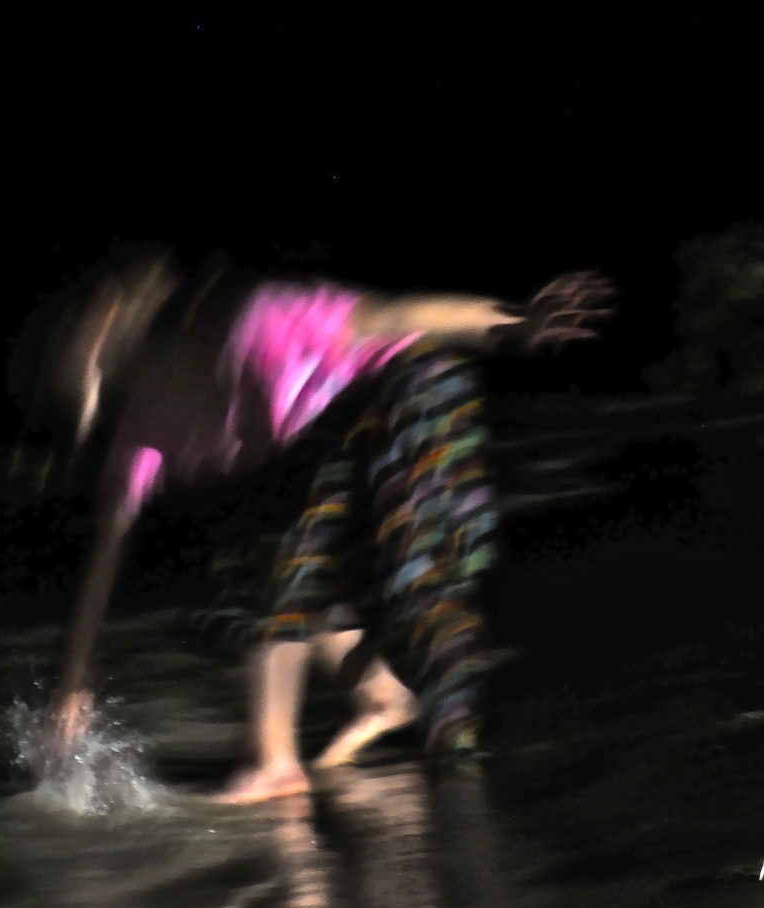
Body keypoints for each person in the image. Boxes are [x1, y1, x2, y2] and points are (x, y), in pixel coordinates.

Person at [35, 251, 613, 802]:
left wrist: (517, 323)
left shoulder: (257, 326)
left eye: (69, 351)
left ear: (108, 325)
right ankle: (377, 699)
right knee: (257, 555)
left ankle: (290, 763)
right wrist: (73, 680)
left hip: (408, 389)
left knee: (369, 564)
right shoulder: (142, 426)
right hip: (333, 448)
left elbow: (397, 316)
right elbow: (107, 549)